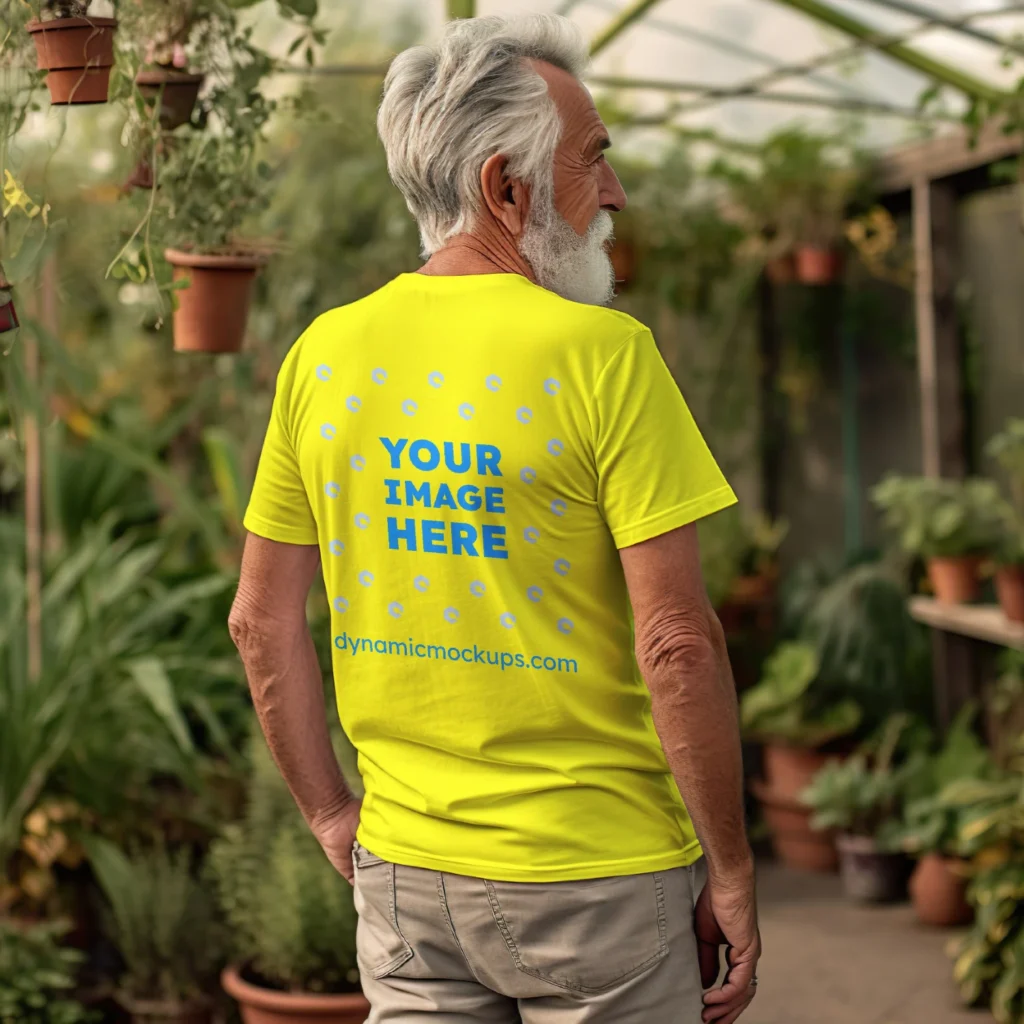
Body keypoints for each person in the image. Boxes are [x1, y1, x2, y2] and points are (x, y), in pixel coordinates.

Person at [230, 14, 760, 1024]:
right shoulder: (603, 355)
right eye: (592, 159)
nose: (612, 192)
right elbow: (677, 645)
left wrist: (331, 811)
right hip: (598, 883)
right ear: (504, 187)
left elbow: (260, 623)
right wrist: (730, 867)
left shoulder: (323, 356)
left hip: (403, 883)